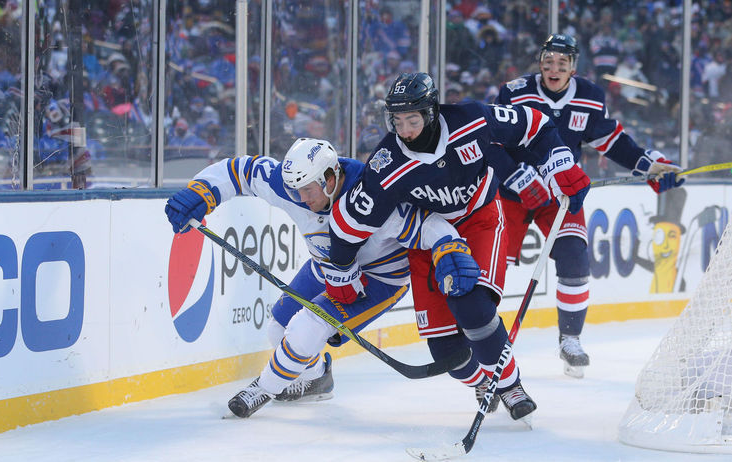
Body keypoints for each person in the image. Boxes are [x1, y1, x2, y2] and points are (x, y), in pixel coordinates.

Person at [326, 72, 590, 424]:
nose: (404, 130)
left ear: (432, 113)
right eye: (398, 121)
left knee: (470, 302)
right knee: (446, 351)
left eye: (413, 120)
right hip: (425, 239)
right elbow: (348, 224)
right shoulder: (386, 164)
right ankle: (486, 382)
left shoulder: (472, 119)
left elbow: (536, 125)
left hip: (479, 219)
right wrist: (341, 270)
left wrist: (558, 162)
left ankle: (511, 386)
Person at [164, 138, 471, 419]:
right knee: (279, 329)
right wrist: (202, 189)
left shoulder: (373, 195)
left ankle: (264, 388)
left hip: (378, 279)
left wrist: (450, 247)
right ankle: (316, 378)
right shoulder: (291, 186)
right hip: (326, 268)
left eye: (308, 189)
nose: (301, 198)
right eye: (296, 190)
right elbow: (239, 170)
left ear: (330, 177)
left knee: (306, 326)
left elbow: (428, 225)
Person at [492, 34, 685, 378]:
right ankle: (486, 342)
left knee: (574, 255)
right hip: (514, 193)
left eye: (562, 64)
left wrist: (648, 165)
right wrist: (517, 177)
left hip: (559, 195)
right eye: (548, 61)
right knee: (493, 268)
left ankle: (571, 339)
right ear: (540, 62)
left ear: (573, 68)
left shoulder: (590, 97)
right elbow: (493, 142)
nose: (554, 69)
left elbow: (611, 140)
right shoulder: (515, 92)